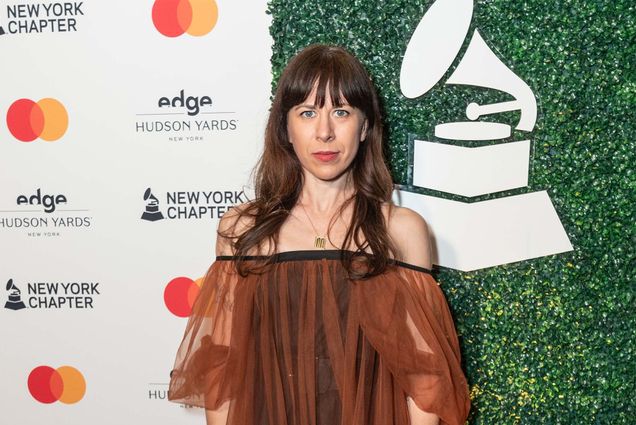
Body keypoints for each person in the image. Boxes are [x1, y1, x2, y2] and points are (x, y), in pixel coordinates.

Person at [168, 44, 470, 425]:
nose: (325, 132)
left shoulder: (401, 229)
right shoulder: (242, 229)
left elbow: (424, 378)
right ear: (286, 128)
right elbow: (223, 372)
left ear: (364, 127)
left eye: (340, 112)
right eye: (308, 112)